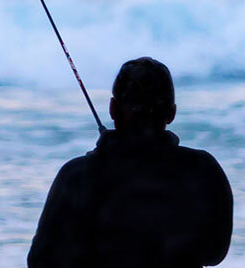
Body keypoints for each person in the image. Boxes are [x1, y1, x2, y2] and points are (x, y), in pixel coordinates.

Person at [28, 57, 234, 268]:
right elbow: (215, 252)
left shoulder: (76, 176)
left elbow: (41, 260)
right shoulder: (203, 170)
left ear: (113, 109)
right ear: (171, 113)